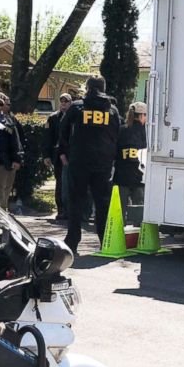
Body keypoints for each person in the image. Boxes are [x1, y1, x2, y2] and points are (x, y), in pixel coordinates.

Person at [59, 76, 121, 255]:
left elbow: (62, 131)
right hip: (103, 163)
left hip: (79, 162)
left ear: (87, 88)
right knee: (102, 204)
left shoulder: (77, 107)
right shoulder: (112, 110)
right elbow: (118, 135)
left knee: (76, 202)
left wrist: (64, 153)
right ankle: (105, 241)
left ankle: (72, 242)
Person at [114, 101, 148, 218]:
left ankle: (119, 234)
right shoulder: (146, 132)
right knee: (140, 212)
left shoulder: (121, 130)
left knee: (120, 212)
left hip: (122, 177)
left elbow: (114, 151)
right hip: (140, 178)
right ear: (142, 115)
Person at [43, 93, 72, 221]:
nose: (64, 104)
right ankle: (61, 210)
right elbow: (48, 138)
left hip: (71, 154)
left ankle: (70, 209)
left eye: (66, 101)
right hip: (57, 154)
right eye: (62, 101)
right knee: (60, 182)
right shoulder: (53, 117)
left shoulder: (74, 116)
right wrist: (46, 155)